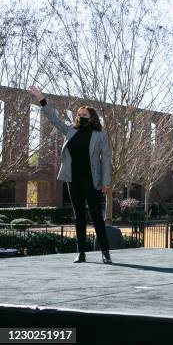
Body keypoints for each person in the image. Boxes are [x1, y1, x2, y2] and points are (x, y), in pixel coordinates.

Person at [27, 85, 113, 264]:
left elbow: (105, 159)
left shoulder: (99, 135)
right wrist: (41, 99)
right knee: (78, 216)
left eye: (84, 115)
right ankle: (81, 252)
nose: (80, 117)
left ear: (91, 118)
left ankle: (105, 252)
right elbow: (53, 118)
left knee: (97, 216)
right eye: (78, 115)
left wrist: (106, 182)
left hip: (92, 180)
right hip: (73, 180)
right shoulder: (70, 131)